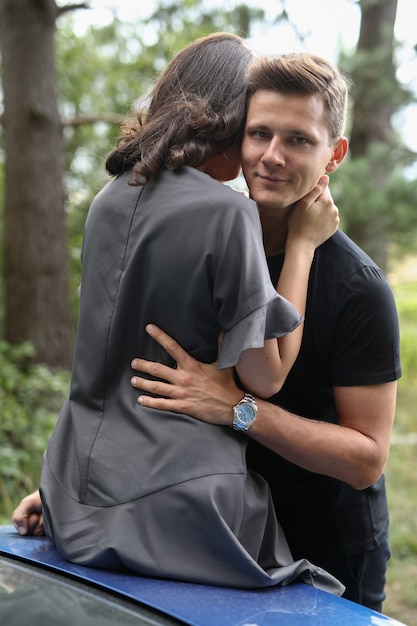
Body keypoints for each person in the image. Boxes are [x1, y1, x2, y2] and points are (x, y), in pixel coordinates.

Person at [13, 35, 342, 593]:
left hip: (75, 490)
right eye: (255, 129)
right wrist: (305, 248)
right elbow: (269, 375)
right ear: (231, 121)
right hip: (184, 502)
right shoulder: (228, 215)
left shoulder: (107, 199)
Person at [124, 53, 401, 612]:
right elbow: (158, 385)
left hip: (327, 549)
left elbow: (366, 458)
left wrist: (238, 408)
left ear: (335, 154)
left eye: (298, 139)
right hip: (219, 528)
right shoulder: (211, 242)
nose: (272, 157)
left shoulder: (359, 288)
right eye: (259, 133)